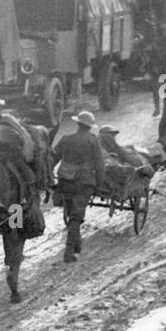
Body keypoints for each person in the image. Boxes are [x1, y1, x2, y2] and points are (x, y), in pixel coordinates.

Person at [49, 110, 108, 257]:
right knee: (77, 215)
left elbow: (54, 159)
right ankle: (69, 251)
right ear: (89, 127)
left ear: (78, 124)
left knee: (70, 212)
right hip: (84, 181)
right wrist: (99, 186)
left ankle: (77, 245)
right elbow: (99, 165)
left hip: (66, 180)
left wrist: (48, 174)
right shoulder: (93, 140)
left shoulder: (66, 139)